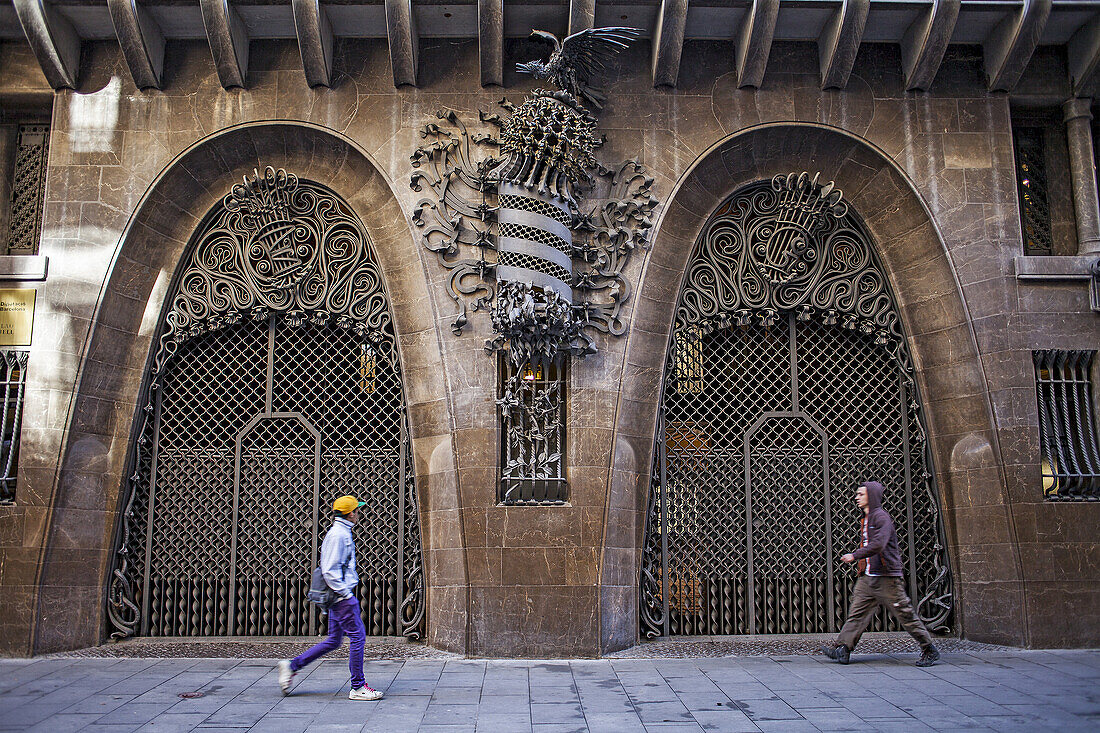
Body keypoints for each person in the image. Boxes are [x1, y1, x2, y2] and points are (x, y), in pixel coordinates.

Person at [821, 481, 940, 667]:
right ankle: (843, 648)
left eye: (861, 494)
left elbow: (879, 544)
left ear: (872, 495)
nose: (857, 497)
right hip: (869, 577)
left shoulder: (880, 518)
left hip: (887, 577)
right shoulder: (866, 518)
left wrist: (855, 555)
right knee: (858, 613)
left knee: (904, 613)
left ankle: (929, 648)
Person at [278, 495, 384, 700]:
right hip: (341, 597)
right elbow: (329, 570)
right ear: (351, 513)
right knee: (358, 637)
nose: (358, 514)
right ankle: (358, 686)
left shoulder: (341, 532)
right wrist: (345, 594)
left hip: (337, 596)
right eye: (357, 511)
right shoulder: (339, 535)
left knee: (334, 640)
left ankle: (292, 666)